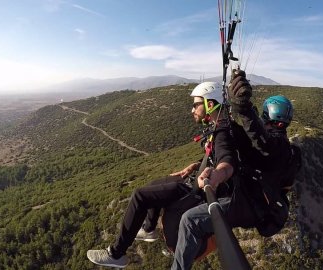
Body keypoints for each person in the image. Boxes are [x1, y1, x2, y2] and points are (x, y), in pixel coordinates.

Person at [86, 81, 238, 268]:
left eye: (196, 104)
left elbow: (227, 158)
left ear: (210, 104)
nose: (192, 110)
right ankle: (149, 229)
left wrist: (217, 174)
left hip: (199, 189)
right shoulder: (221, 126)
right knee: (155, 183)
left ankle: (116, 254)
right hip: (198, 178)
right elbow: (219, 154)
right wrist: (197, 164)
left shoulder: (222, 132)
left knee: (140, 195)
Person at [171, 70, 297, 270]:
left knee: (189, 221)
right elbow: (249, 142)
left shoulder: (280, 147)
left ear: (267, 113)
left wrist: (245, 109)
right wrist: (225, 120)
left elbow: (263, 144)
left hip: (251, 204)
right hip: (253, 199)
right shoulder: (286, 149)